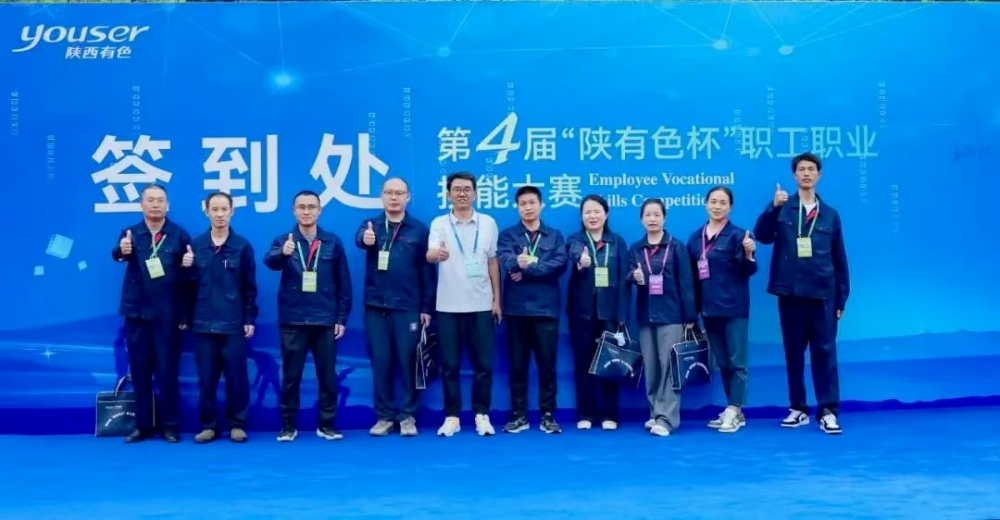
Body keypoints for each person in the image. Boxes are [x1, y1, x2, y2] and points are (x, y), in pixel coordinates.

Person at [753, 152, 850, 435]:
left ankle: (828, 411)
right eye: (801, 169)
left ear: (819, 175)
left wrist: (841, 298)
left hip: (823, 296)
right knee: (793, 354)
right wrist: (772, 207)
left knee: (825, 354)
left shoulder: (830, 214)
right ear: (794, 175)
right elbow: (762, 236)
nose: (806, 173)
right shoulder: (783, 208)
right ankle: (798, 409)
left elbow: (839, 259)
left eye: (811, 169)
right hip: (791, 295)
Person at [264, 190, 352, 442]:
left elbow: (343, 283)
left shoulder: (332, 241)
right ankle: (288, 425)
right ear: (294, 211)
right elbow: (270, 262)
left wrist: (341, 318)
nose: (306, 211)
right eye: (301, 207)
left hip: (325, 319)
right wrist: (282, 253)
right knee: (291, 376)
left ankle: (327, 424)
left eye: (311, 207)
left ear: (319, 210)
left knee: (327, 376)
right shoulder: (284, 240)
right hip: (293, 319)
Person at [111, 184, 192, 443]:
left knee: (167, 373)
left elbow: (189, 280)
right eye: (151, 200)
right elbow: (118, 255)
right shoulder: (131, 234)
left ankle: (170, 425)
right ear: (142, 205)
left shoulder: (179, 235)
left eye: (160, 200)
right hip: (137, 314)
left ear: (167, 205)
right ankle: (143, 425)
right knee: (140, 372)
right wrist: (121, 251)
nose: (156, 204)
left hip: (168, 316)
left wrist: (184, 315)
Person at [354, 177, 433, 437]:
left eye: (399, 193)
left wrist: (426, 308)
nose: (394, 197)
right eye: (389, 192)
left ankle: (408, 416)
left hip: (408, 306)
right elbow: (359, 239)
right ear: (382, 196)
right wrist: (365, 239)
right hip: (376, 306)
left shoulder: (419, 230)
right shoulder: (371, 225)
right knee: (381, 362)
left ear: (408, 197)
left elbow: (426, 271)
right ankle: (384, 416)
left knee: (410, 363)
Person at [426, 172, 502, 437]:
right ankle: (452, 417)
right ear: (448, 194)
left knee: (483, 365)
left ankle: (482, 414)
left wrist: (497, 299)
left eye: (467, 189)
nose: (462, 193)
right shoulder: (439, 223)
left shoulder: (488, 223)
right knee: (450, 365)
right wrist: (437, 254)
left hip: (481, 305)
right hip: (448, 306)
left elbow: (493, 261)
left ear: (475, 193)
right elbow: (429, 254)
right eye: (456, 189)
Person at [496, 185, 568, 434]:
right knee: (518, 366)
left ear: (541, 205)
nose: (528, 207)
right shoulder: (508, 235)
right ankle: (519, 415)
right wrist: (518, 263)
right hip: (516, 310)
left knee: (547, 366)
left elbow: (559, 264)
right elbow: (505, 259)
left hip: (546, 310)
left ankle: (548, 415)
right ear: (517, 207)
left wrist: (527, 269)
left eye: (532, 203)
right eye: (523, 203)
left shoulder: (555, 236)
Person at [686, 186, 757, 434]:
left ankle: (735, 408)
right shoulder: (695, 239)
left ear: (730, 207)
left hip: (734, 308)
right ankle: (733, 409)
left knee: (738, 362)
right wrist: (693, 312)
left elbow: (748, 272)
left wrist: (749, 253)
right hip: (709, 310)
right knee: (723, 363)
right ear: (706, 204)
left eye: (723, 202)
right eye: (713, 201)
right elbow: (692, 280)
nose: (717, 206)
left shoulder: (739, 235)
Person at [188, 192, 258, 444]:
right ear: (206, 211)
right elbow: (187, 287)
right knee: (206, 380)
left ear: (232, 211)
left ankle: (237, 424)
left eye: (224, 209)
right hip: (203, 323)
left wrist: (249, 318)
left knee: (236, 378)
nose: (219, 214)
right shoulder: (196, 246)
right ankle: (209, 426)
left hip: (233, 323)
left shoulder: (242, 246)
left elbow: (249, 286)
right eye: (214, 209)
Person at [628, 199, 696, 437]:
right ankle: (655, 412)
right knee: (652, 367)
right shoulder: (636, 249)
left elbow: (686, 283)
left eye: (657, 214)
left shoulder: (677, 247)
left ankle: (667, 419)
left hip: (672, 315)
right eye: (648, 215)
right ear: (641, 219)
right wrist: (634, 276)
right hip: (646, 315)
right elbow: (627, 275)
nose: (652, 219)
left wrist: (690, 316)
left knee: (669, 368)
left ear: (664, 218)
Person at [565, 194, 631, 431]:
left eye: (597, 211)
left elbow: (623, 280)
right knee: (583, 364)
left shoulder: (617, 242)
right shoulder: (576, 239)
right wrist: (581, 259)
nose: (592, 216)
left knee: (610, 364)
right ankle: (586, 413)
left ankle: (610, 414)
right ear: (582, 216)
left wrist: (621, 315)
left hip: (609, 314)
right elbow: (573, 250)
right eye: (587, 212)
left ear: (606, 214)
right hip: (582, 314)